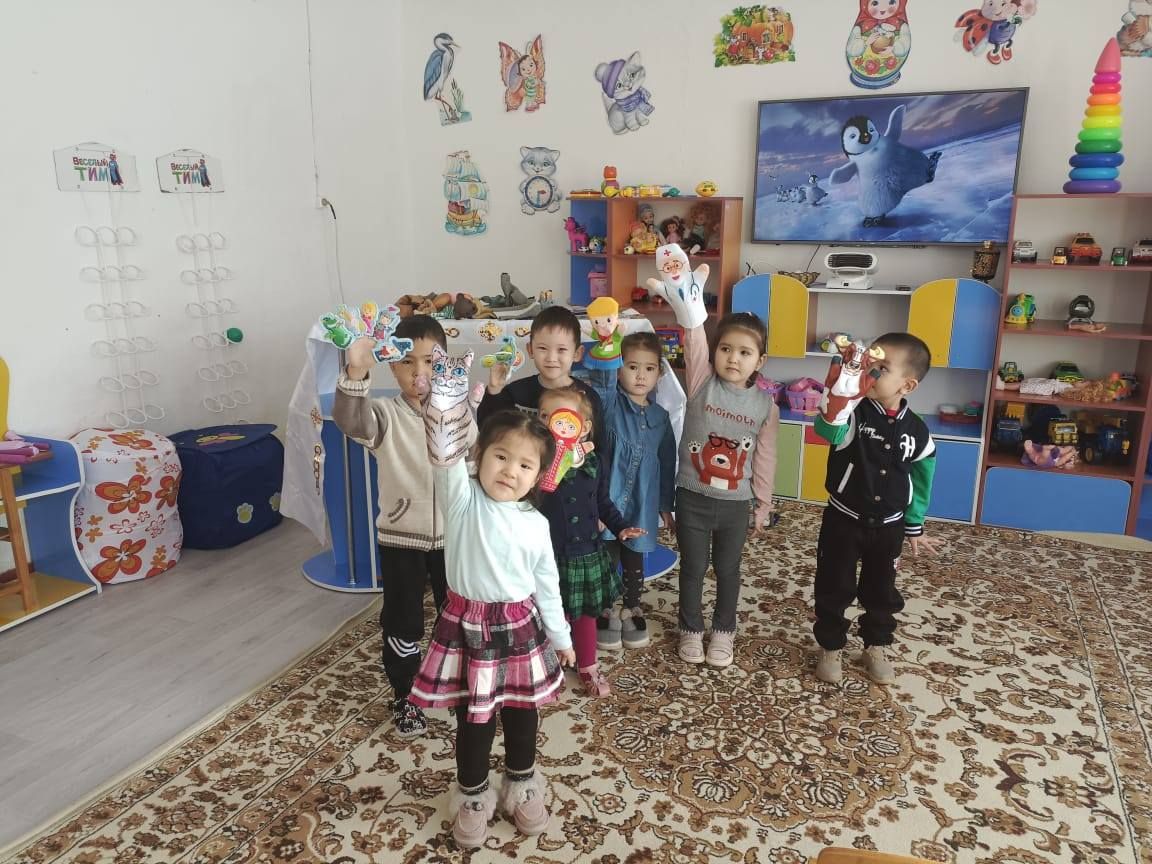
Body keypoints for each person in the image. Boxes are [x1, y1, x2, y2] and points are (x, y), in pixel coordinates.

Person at [407, 347, 575, 849]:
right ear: (479, 456)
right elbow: (444, 457)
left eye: (525, 464)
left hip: (521, 629)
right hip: (468, 628)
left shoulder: (536, 524)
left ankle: (522, 783)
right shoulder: (461, 498)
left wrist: (562, 638)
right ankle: (472, 793)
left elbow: (548, 586)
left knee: (523, 715)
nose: (509, 470)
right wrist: (446, 402)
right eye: (500, 456)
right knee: (474, 720)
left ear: (538, 476)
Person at [332, 315, 473, 737]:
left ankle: (461, 688)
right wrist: (356, 372)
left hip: (454, 537)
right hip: (400, 538)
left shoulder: (459, 411)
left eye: (430, 361)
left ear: (444, 362)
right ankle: (405, 695)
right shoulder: (384, 415)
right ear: (391, 365)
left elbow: (476, 461)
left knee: (459, 617)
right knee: (402, 621)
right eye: (407, 362)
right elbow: (350, 421)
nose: (419, 373)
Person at [646, 244, 778, 669]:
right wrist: (686, 301)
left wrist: (763, 504)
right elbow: (694, 335)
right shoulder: (702, 380)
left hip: (736, 505)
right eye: (726, 349)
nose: (733, 358)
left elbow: (765, 458)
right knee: (692, 568)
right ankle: (690, 629)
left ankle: (723, 631)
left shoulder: (766, 406)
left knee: (727, 570)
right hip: (693, 498)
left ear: (760, 360)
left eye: (744, 352)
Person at [811, 332, 939, 686]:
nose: (871, 374)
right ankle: (831, 646)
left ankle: (876, 644)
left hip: (889, 526)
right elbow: (827, 430)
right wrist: (840, 394)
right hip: (843, 519)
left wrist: (915, 523)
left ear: (907, 385)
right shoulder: (853, 412)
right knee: (834, 585)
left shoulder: (918, 430)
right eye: (870, 365)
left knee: (882, 590)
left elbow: (922, 477)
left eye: (881, 369)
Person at [536, 386, 644, 695]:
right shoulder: (536, 462)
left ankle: (587, 665)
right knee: (548, 613)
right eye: (545, 416)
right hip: (547, 553)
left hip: (586, 551)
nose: (553, 424)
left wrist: (620, 527)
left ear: (582, 427)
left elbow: (603, 502)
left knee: (584, 614)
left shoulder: (596, 462)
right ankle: (548, 668)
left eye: (563, 418)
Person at [585, 331, 676, 650]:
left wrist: (666, 505)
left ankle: (632, 607)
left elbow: (667, 462)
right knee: (608, 553)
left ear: (659, 373)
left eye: (649, 369)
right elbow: (601, 382)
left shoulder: (661, 418)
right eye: (632, 366)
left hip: (643, 499)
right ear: (619, 369)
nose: (640, 375)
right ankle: (606, 608)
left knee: (636, 553)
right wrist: (607, 342)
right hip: (609, 498)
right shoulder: (609, 404)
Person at [477, 305, 604, 451]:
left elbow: (601, 450)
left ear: (577, 353)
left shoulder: (589, 398)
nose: (551, 358)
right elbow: (487, 430)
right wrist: (494, 389)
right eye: (543, 348)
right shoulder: (515, 393)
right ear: (530, 350)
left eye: (561, 350)